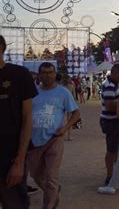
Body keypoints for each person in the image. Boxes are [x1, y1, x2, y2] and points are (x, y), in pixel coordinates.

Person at [28, 62, 80, 208]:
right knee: (36, 175)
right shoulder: (32, 92)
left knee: (51, 176)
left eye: (50, 72)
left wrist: (65, 128)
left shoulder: (63, 93)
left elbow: (76, 113)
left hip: (54, 139)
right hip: (34, 141)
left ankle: (49, 205)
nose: (48, 75)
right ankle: (53, 191)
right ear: (39, 75)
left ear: (55, 73)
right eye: (44, 72)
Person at [0, 35, 38, 209]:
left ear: (2, 48)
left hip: (10, 157)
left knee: (15, 204)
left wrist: (20, 161)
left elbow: (27, 118)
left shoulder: (18, 75)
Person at [100, 63, 119, 185]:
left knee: (116, 148)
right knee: (111, 150)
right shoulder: (109, 86)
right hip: (111, 121)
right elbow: (109, 106)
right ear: (115, 73)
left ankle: (118, 172)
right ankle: (110, 176)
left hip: (115, 120)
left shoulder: (116, 85)